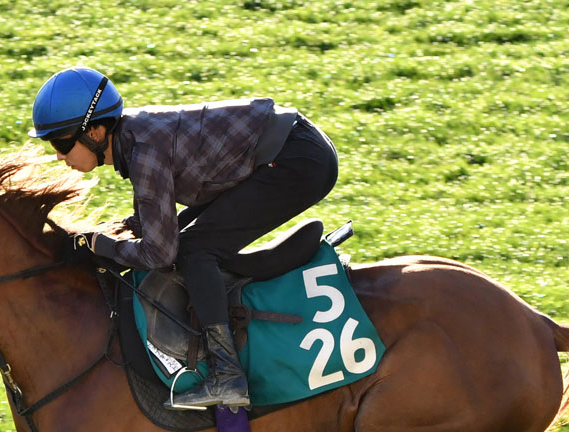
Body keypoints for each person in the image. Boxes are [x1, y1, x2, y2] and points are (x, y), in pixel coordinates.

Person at [29, 66, 340, 410]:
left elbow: (160, 252)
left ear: (96, 132)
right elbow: (151, 221)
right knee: (195, 244)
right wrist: (109, 236)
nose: (58, 155)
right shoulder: (135, 138)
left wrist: (100, 245)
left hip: (298, 160)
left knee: (195, 252)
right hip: (289, 149)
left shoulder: (143, 150)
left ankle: (227, 375)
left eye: (60, 142)